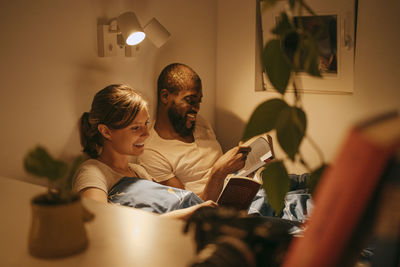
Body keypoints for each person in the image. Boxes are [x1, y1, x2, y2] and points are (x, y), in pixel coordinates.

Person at [72, 84, 217, 220]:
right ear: (106, 132)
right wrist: (187, 215)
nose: (146, 134)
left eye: (146, 124)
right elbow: (100, 222)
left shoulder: (139, 172)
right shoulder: (93, 172)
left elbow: (166, 206)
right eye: (135, 128)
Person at [138, 63, 251, 201]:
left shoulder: (199, 123)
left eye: (199, 102)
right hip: (217, 211)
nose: (196, 108)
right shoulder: (152, 153)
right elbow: (190, 208)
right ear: (165, 96)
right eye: (190, 100)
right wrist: (219, 173)